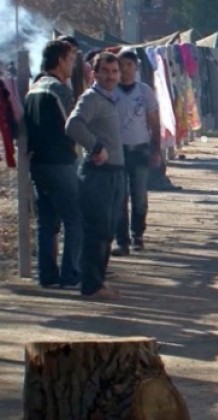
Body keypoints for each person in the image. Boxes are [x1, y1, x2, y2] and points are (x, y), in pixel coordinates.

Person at [66, 52, 125, 299]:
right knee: (97, 231)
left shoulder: (110, 98)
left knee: (107, 231)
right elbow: (73, 125)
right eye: (105, 71)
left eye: (114, 72)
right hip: (97, 175)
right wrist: (96, 146)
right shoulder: (91, 98)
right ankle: (90, 286)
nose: (110, 76)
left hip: (114, 174)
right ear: (94, 72)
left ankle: (98, 282)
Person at [24, 40, 81, 288]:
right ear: (60, 60)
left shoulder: (33, 89)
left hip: (38, 163)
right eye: (70, 59)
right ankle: (71, 273)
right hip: (60, 162)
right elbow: (74, 126)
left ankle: (46, 275)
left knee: (46, 221)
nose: (73, 65)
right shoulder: (59, 90)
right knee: (75, 218)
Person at [111, 50, 162, 256]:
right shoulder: (111, 91)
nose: (124, 70)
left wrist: (156, 150)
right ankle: (121, 240)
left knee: (139, 196)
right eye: (121, 66)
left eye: (129, 65)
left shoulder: (144, 91)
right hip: (117, 151)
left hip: (140, 149)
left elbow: (154, 123)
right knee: (119, 197)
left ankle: (137, 235)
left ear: (136, 67)